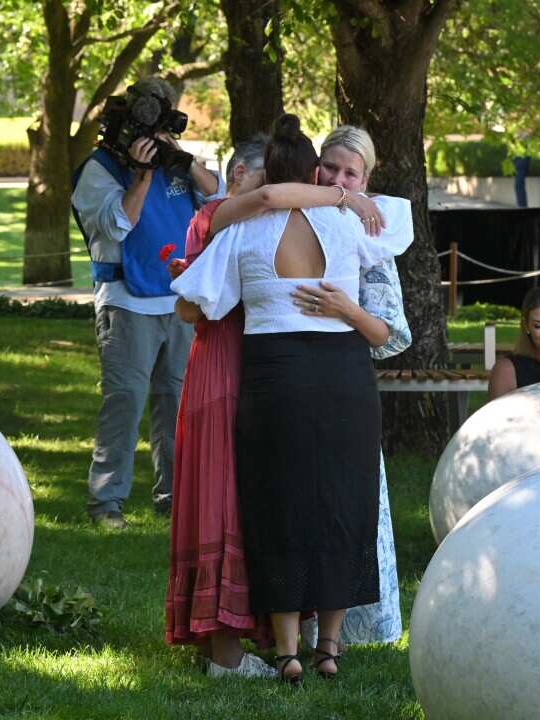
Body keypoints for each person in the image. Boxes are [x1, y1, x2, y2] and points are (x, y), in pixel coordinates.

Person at [172, 114, 413, 684]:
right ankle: (328, 645)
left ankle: (287, 652)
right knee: (342, 505)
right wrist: (348, 205)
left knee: (276, 508)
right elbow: (390, 238)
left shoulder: (241, 232)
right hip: (343, 376)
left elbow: (192, 306)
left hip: (274, 376)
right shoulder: (346, 222)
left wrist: (194, 276)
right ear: (312, 171)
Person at [71, 78, 223, 529]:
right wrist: (142, 175)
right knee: (126, 400)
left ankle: (174, 495)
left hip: (177, 301)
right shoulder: (97, 171)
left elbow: (218, 198)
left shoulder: (176, 162)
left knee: (175, 402)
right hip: (126, 303)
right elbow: (118, 225)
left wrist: (181, 158)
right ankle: (106, 502)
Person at [293, 125, 411, 651]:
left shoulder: (374, 238)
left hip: (344, 383)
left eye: (350, 173)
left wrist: (347, 309)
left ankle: (348, 628)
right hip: (287, 380)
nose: (338, 180)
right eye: (330, 168)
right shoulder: (291, 219)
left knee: (347, 503)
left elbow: (391, 335)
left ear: (367, 179)